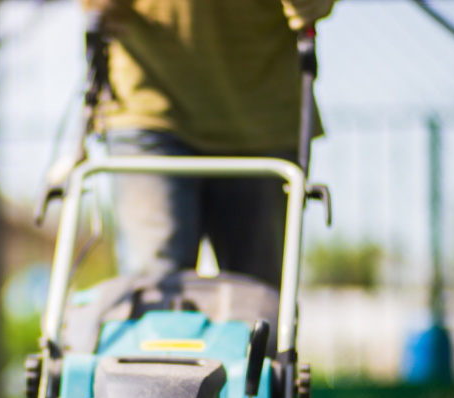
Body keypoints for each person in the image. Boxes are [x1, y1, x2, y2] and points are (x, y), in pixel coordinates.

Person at [86, 0, 336, 287]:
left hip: (261, 115)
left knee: (257, 296)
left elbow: (314, 7)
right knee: (154, 288)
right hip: (147, 101)